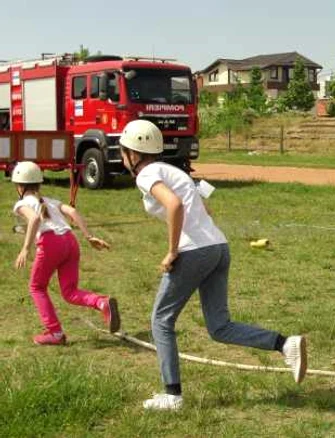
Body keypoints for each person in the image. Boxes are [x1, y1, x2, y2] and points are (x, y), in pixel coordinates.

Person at [118, 120, 307, 411]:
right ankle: (285, 343)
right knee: (220, 327)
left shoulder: (146, 174)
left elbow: (174, 205)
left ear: (133, 153)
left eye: (123, 151)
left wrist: (172, 251)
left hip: (194, 252)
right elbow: (204, 206)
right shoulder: (172, 170)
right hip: (218, 247)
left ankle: (172, 395)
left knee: (160, 320)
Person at [11, 161, 119, 345]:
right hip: (70, 241)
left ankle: (55, 332)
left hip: (51, 244)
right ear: (39, 183)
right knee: (70, 292)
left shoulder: (21, 204)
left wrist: (25, 249)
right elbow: (73, 211)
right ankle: (102, 303)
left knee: (37, 287)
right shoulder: (49, 201)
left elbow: (35, 219)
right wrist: (89, 236)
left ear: (19, 186)